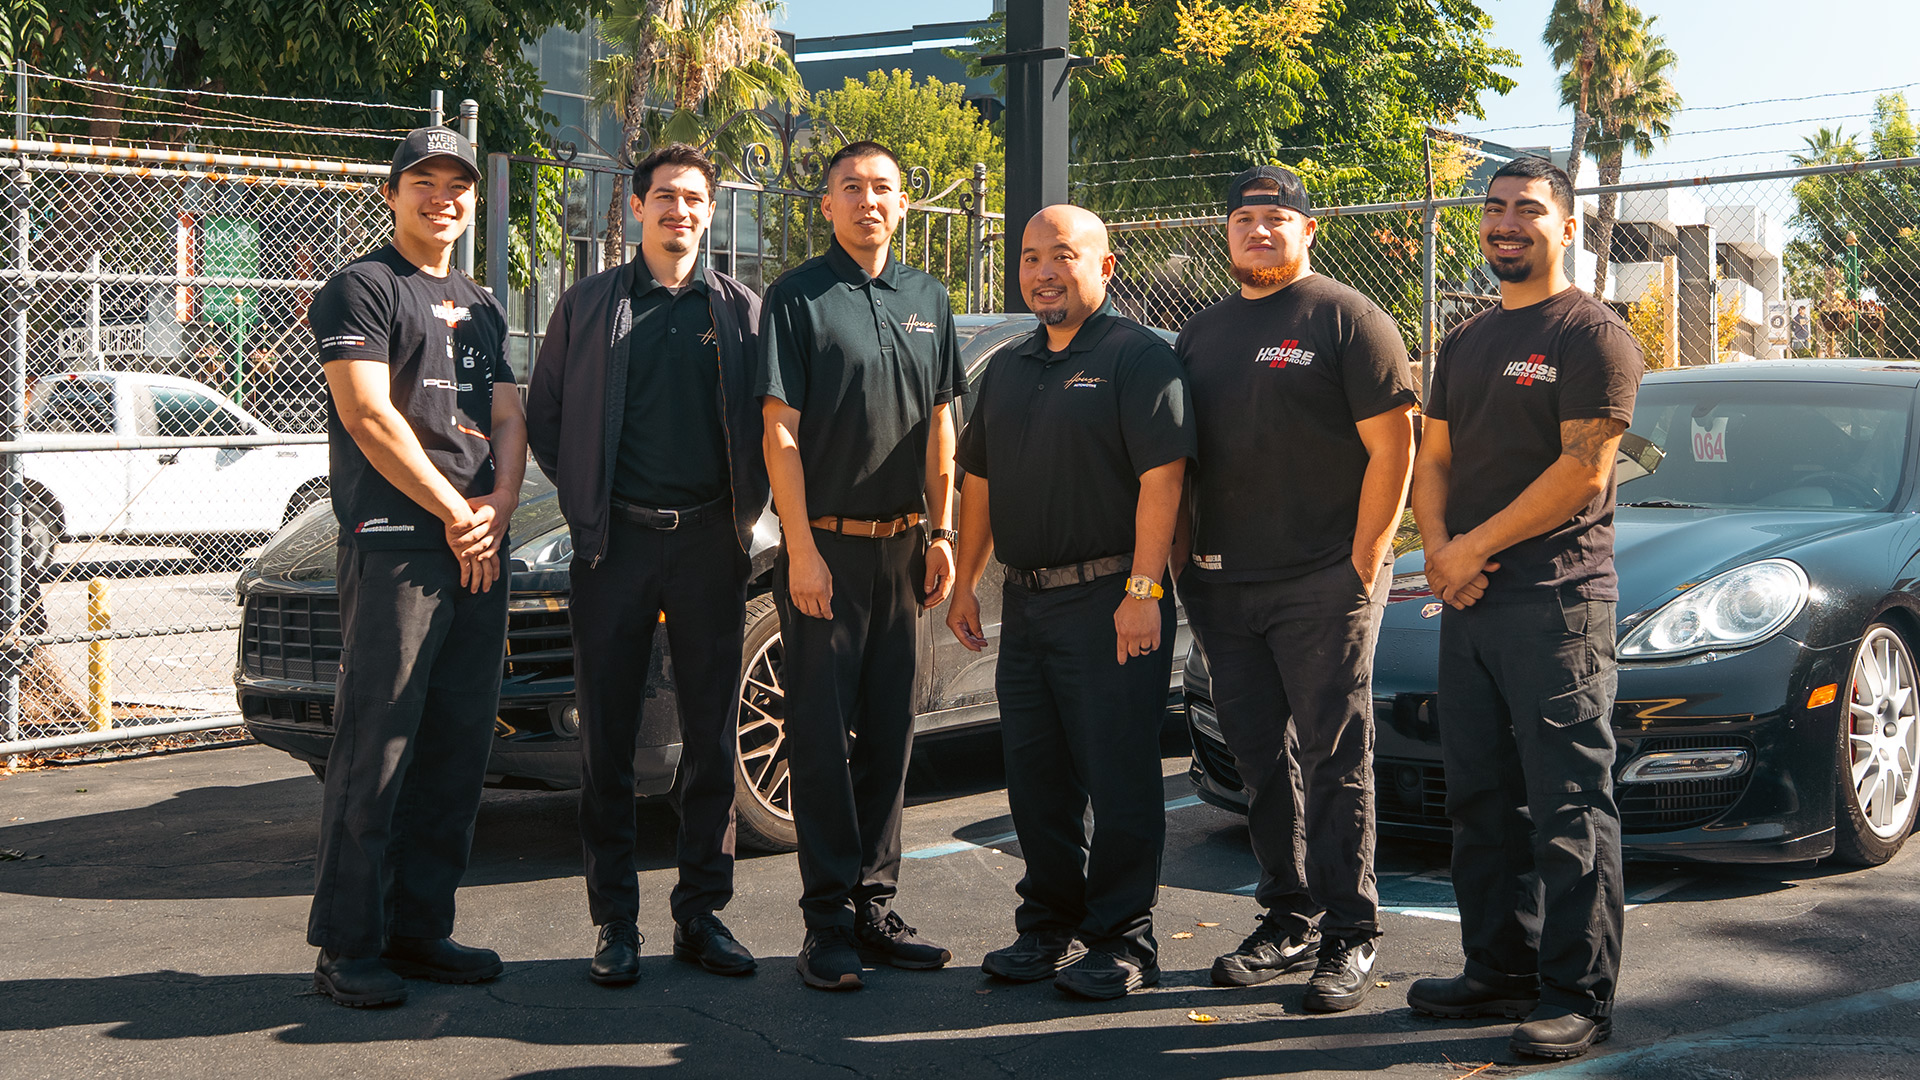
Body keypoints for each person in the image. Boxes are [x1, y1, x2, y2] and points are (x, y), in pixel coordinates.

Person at [1407, 155, 1643, 1060]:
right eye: (1495, 209)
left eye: (1529, 211)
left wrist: (1470, 550)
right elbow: (1434, 461)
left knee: (1568, 803)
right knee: (1480, 797)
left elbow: (1580, 473)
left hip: (1557, 605)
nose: (1507, 223)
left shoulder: (1593, 336)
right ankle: (1495, 969)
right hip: (1467, 604)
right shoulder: (1465, 340)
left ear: (1568, 225)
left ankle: (1576, 995)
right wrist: (1437, 553)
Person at [1175, 165, 1417, 1012]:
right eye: (1245, 219)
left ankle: (1352, 933)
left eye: (1277, 218)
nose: (1260, 230)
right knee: (1258, 760)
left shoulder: (1349, 319)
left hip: (1324, 580)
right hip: (1221, 585)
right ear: (1227, 234)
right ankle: (1288, 917)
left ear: (1308, 231)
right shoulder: (1201, 333)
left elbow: (1396, 449)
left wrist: (1365, 557)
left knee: (1334, 754)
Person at [526, 144, 768, 987]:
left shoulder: (742, 314)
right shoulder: (589, 305)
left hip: (709, 543)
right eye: (664, 197)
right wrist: (592, 500)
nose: (680, 211)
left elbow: (768, 430)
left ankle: (701, 914)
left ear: (710, 212)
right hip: (614, 546)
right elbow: (548, 421)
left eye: (694, 199)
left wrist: (740, 515)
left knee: (709, 737)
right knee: (611, 740)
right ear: (635, 209)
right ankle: (615, 921)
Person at [947, 205, 1193, 1000]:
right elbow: (976, 482)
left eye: (1062, 255)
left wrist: (1144, 590)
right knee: (1037, 778)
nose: (1043, 271)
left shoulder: (1137, 359)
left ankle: (1124, 940)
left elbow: (1165, 480)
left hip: (1111, 600)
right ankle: (1048, 925)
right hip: (1027, 606)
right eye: (1029, 258)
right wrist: (963, 582)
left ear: (1105, 267)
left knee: (1119, 775)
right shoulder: (1014, 365)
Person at [305, 126, 525, 1008]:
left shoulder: (482, 303)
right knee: (379, 743)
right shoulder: (360, 288)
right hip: (400, 543)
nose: (444, 197)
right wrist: (451, 509)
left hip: (476, 545)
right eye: (424, 181)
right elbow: (368, 416)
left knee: (458, 746)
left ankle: (421, 930)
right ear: (392, 194)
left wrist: (500, 510)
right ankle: (347, 946)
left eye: (458, 184)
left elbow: (508, 418)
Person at [755, 141, 967, 991]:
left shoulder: (929, 297)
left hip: (906, 549)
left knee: (889, 736)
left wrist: (944, 533)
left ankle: (877, 906)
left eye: (882, 188)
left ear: (905, 204)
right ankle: (826, 924)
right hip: (826, 552)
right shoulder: (797, 298)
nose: (867, 201)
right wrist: (801, 548)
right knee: (818, 740)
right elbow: (779, 433)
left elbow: (942, 424)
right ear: (827, 206)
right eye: (851, 189)